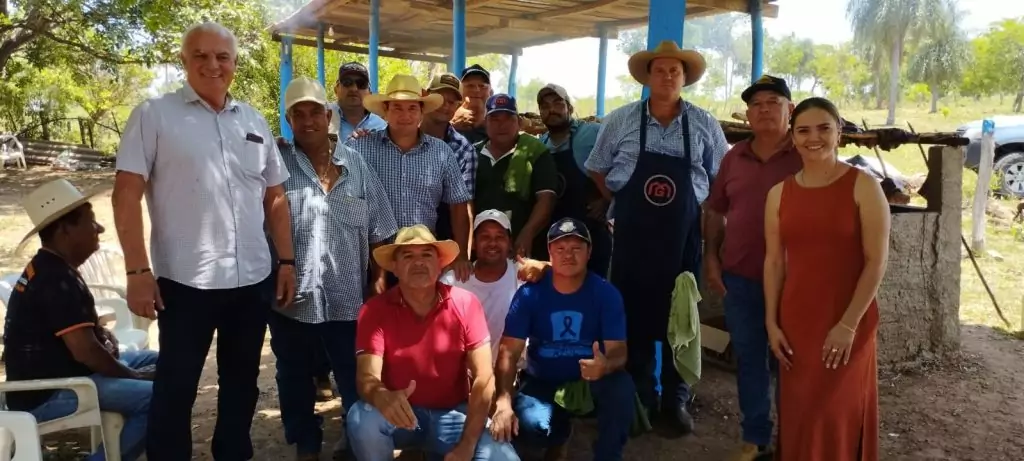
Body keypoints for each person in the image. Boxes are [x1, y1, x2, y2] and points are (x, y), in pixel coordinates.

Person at [112, 21, 297, 460]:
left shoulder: (252, 119)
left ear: (234, 63)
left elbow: (275, 197)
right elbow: (125, 195)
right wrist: (137, 271)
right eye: (201, 55)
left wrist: (287, 261)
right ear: (184, 60)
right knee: (175, 387)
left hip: (252, 280)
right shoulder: (154, 115)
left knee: (242, 384)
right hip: (184, 283)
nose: (213, 64)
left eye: (222, 56)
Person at [584, 39, 729, 435]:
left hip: (683, 240)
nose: (667, 77)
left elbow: (722, 179)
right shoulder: (621, 120)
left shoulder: (704, 123)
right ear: (647, 77)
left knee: (680, 316)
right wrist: (618, 198)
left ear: (684, 78)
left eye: (674, 71)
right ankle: (642, 397)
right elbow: (597, 166)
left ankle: (676, 400)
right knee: (634, 318)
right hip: (633, 238)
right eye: (660, 70)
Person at [270, 76, 399, 461]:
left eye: (315, 112)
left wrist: (379, 280)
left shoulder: (356, 164)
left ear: (328, 116)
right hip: (292, 299)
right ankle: (306, 444)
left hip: (348, 298)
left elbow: (381, 228)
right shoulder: (276, 165)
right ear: (289, 120)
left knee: (353, 373)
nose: (308, 121)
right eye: (299, 114)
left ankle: (354, 437)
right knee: (294, 376)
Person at [764, 97, 889, 461]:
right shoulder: (778, 194)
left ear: (839, 133)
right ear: (793, 137)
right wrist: (771, 322)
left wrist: (848, 325)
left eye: (824, 128)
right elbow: (774, 262)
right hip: (797, 322)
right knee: (801, 411)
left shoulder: (864, 187)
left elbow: (876, 261)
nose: (813, 138)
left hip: (848, 319)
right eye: (803, 130)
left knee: (836, 410)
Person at [5, 179, 158, 461]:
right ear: (64, 230)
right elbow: (86, 352)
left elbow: (78, 334)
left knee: (164, 363)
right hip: (51, 393)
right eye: (91, 222)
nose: (99, 228)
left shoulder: (53, 267)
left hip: (70, 377)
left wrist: (100, 333)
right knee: (156, 398)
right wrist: (133, 376)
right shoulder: (54, 278)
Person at [346, 225, 520, 461]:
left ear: (439, 265)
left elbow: (484, 377)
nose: (418, 262)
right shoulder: (374, 310)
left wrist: (467, 446)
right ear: (394, 267)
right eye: (408, 255)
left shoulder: (466, 303)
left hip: (453, 413)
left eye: (427, 255)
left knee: (502, 457)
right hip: (399, 412)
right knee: (361, 419)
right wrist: (380, 395)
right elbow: (366, 377)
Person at [703, 75, 802, 461]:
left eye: (773, 102)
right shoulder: (734, 156)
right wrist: (712, 257)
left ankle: (793, 439)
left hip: (796, 281)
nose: (763, 110)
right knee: (749, 359)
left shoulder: (805, 152)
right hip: (741, 278)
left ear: (790, 109)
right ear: (747, 114)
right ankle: (756, 437)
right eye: (756, 104)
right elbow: (716, 210)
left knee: (792, 361)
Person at [491, 218, 635, 461]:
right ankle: (560, 435)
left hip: (590, 380)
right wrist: (503, 400)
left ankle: (608, 455)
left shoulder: (606, 294)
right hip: (543, 379)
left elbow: (619, 351)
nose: (568, 255)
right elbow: (508, 350)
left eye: (576, 248)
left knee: (622, 388)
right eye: (560, 248)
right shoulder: (529, 294)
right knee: (530, 426)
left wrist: (606, 365)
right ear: (550, 252)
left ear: (589, 252)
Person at [345, 74, 473, 284]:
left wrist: (461, 256)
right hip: (371, 260)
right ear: (385, 110)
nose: (405, 115)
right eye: (397, 107)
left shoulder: (441, 152)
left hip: (422, 257)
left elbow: (458, 204)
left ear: (422, 111)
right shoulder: (360, 147)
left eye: (412, 108)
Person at [535, 84, 610, 276]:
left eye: (557, 103)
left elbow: (623, 166)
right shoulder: (540, 145)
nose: (551, 110)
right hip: (554, 236)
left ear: (569, 108)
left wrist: (607, 199)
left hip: (591, 233)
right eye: (545, 106)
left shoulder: (593, 133)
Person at [473, 93, 557, 260]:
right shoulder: (472, 153)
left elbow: (546, 199)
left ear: (518, 122)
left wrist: (528, 233)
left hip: (522, 250)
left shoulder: (536, 153)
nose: (501, 125)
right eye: (495, 119)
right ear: (485, 123)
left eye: (508, 119)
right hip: (481, 249)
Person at [440, 209, 523, 362]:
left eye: (500, 237)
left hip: (515, 371)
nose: (493, 243)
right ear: (474, 243)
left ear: (509, 243)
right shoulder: (454, 280)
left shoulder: (523, 275)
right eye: (485, 237)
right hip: (465, 372)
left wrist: (542, 267)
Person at [423, 72, 478, 242]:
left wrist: (464, 252)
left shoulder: (464, 149)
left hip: (441, 240)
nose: (445, 106)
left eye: (452, 102)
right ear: (425, 96)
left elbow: (464, 205)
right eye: (440, 98)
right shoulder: (403, 134)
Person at [328, 62, 387, 140]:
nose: (354, 89)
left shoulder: (381, 127)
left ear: (369, 93)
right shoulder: (323, 117)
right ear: (336, 89)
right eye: (347, 82)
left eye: (361, 84)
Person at [452, 64, 491, 144]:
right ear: (459, 91)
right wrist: (451, 125)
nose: (476, 90)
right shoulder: (446, 117)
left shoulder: (496, 125)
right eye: (470, 85)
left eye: (482, 86)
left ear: (490, 92)